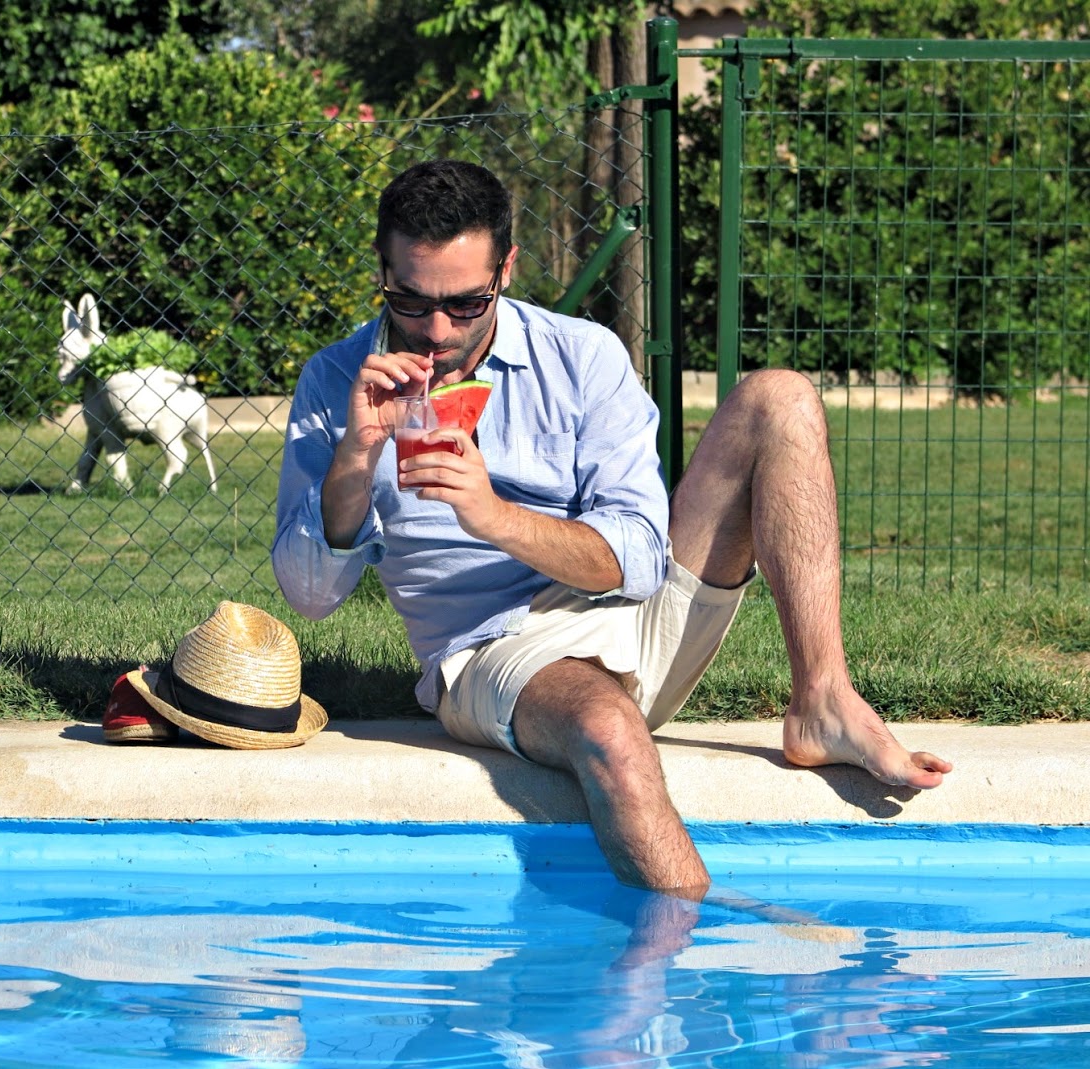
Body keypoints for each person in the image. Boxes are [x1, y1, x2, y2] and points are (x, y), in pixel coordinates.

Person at [271, 159, 952, 894]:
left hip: (632, 611)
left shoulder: (581, 355)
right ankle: (681, 947)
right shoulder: (337, 381)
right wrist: (356, 453)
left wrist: (493, 516)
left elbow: (640, 558)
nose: (437, 332)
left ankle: (822, 698)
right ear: (383, 271)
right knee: (610, 728)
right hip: (492, 649)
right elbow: (309, 595)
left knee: (779, 399)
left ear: (506, 269)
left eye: (466, 304)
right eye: (410, 300)